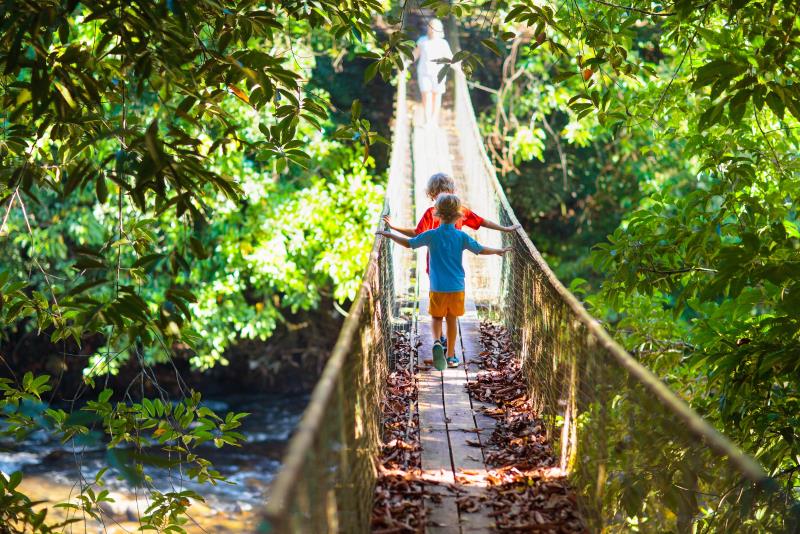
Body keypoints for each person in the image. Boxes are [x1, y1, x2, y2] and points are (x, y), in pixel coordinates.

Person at [383, 172, 519, 349]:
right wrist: (505, 230)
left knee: (437, 315)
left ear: (431, 195)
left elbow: (415, 237)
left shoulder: (432, 214)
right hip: (456, 279)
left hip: (434, 271)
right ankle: (451, 352)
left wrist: (392, 230)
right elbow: (482, 225)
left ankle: (438, 340)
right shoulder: (459, 212)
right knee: (452, 317)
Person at [414, 19, 453, 126]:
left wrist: (461, 71)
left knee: (436, 96)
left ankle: (434, 120)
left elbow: (451, 59)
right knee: (426, 96)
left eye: (435, 27)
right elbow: (414, 55)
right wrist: (403, 64)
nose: (432, 29)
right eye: (431, 27)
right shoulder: (422, 41)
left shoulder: (443, 43)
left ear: (440, 29)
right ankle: (427, 120)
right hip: (424, 73)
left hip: (439, 74)